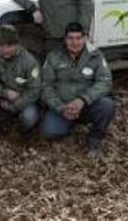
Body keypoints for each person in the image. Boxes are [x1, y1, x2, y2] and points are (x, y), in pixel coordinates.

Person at [40, 22, 115, 158]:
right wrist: (61, 107)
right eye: (71, 38)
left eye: (78, 38)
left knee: (107, 105)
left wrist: (83, 99)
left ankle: (95, 140)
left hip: (86, 105)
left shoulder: (96, 56)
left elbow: (105, 82)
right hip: (63, 107)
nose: (75, 42)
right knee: (49, 132)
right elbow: (46, 87)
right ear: (65, 39)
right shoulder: (53, 56)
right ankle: (69, 123)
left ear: (84, 38)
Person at [0, 25, 41, 139]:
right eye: (2, 45)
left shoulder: (29, 61)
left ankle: (20, 133)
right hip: (3, 96)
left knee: (29, 117)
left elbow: (34, 91)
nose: (5, 50)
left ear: (17, 44)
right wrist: (4, 92)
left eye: (9, 45)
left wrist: (14, 106)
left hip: (23, 99)